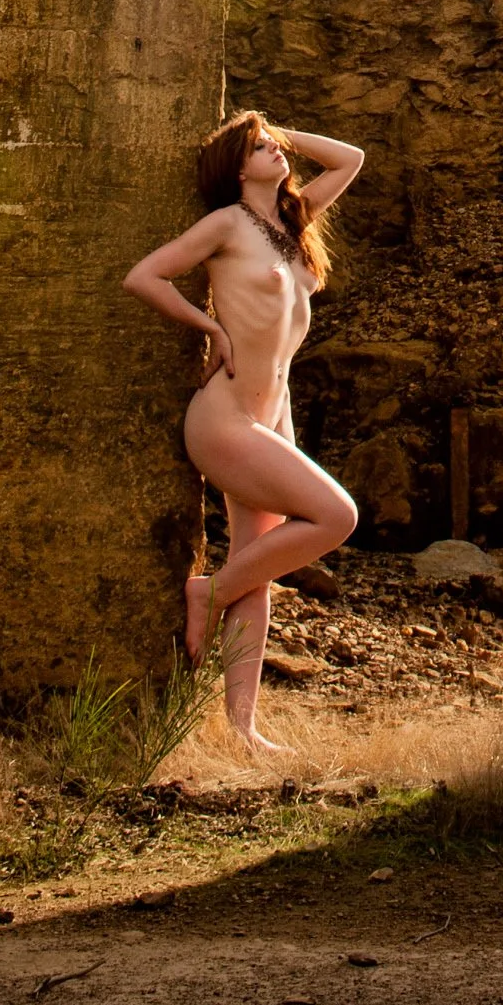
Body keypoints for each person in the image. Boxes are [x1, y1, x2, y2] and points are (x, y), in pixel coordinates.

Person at [123, 111, 364, 749]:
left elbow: (350, 158)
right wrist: (210, 329)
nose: (277, 154)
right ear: (236, 168)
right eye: (261, 148)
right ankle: (208, 591)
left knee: (256, 571)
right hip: (225, 418)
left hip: (270, 415)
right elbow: (144, 276)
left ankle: (242, 728)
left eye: (276, 146)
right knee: (337, 517)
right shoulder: (228, 224)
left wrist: (279, 131)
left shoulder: (291, 225)